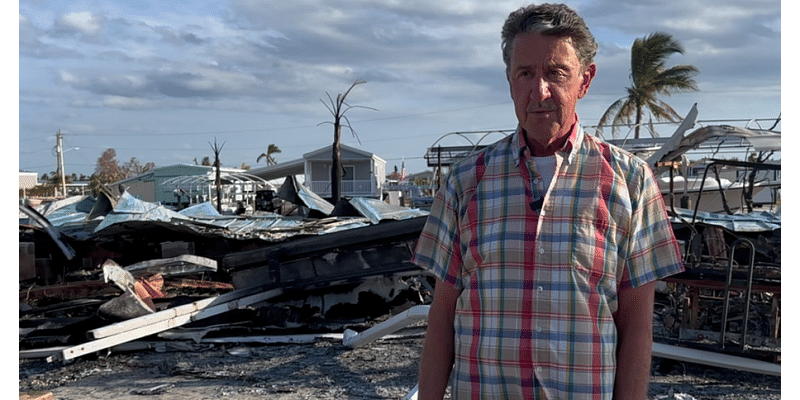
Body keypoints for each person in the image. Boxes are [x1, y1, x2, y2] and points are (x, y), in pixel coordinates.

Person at [411, 4, 684, 399]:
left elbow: (637, 328)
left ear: (584, 80)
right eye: (525, 74)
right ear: (509, 80)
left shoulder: (631, 182)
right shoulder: (464, 183)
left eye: (556, 73)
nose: (539, 91)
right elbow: (441, 321)